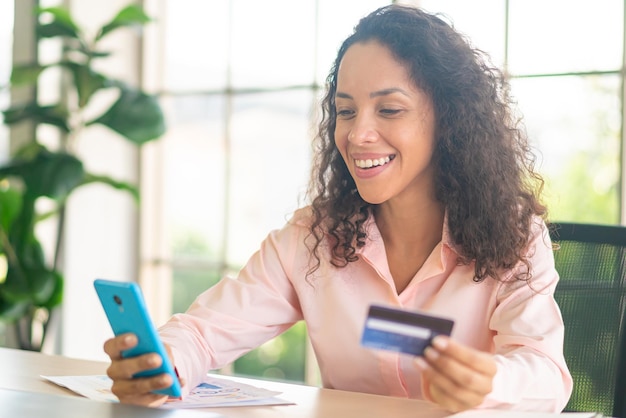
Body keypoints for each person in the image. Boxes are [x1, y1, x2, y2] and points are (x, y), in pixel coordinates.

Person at [104, 4, 573, 413]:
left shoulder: (514, 235)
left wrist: (488, 381)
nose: (357, 134)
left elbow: (546, 374)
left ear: (450, 120)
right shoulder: (314, 236)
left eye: (389, 110)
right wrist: (158, 362)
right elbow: (205, 332)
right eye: (346, 111)